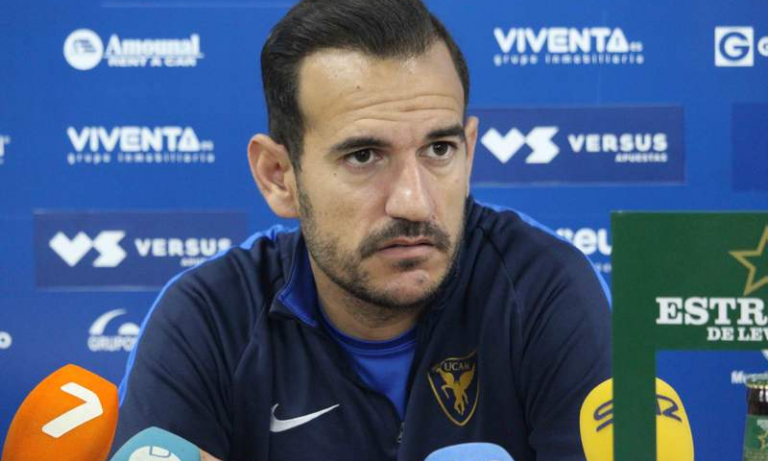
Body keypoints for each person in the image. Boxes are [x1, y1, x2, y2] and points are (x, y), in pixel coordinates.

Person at [112, 0, 611, 459]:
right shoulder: (209, 318)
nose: (414, 202)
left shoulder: (544, 288)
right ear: (279, 176)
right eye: (364, 156)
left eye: (439, 150)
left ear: (470, 151)